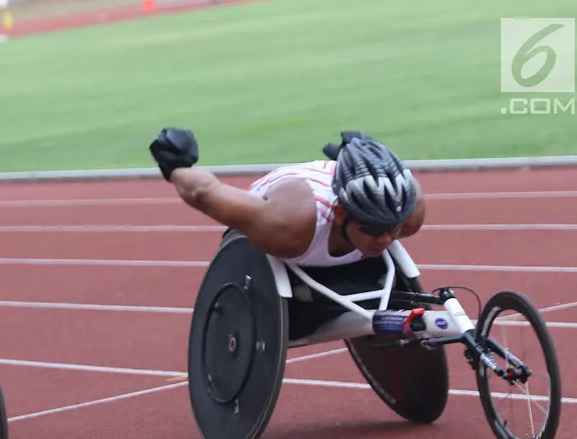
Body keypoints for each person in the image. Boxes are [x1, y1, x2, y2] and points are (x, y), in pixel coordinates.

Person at [148, 126, 427, 337]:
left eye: (392, 228)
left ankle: (349, 153)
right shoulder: (287, 224)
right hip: (281, 226)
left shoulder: (409, 214)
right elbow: (204, 192)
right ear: (341, 213)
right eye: (373, 228)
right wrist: (176, 167)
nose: (386, 239)